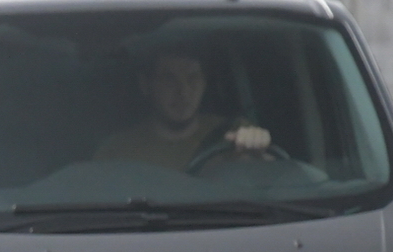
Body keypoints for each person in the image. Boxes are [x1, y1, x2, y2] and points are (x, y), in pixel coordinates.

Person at [95, 48, 271, 171]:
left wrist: (259, 152)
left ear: (204, 82)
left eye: (193, 77)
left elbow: (272, 187)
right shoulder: (116, 151)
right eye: (169, 79)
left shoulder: (235, 134)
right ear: (145, 85)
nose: (183, 91)